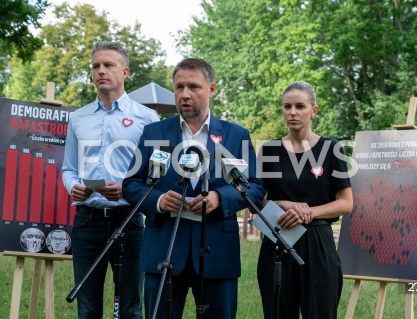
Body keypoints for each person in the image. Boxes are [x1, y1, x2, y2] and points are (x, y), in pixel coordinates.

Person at [122, 58, 266, 319]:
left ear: (211, 89)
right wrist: (158, 200)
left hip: (217, 252)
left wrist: (219, 197)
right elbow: (131, 185)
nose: (184, 94)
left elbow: (255, 187)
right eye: (179, 87)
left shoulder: (236, 135)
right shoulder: (154, 132)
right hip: (163, 249)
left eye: (193, 87)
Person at [62, 41, 160, 318]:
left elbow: (156, 174)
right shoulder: (78, 117)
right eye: (96, 66)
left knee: (130, 307)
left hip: (129, 221)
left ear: (125, 71)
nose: (100, 71)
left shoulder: (147, 117)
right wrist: (74, 187)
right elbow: (68, 168)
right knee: (87, 307)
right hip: (86, 221)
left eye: (108, 65)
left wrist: (129, 191)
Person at [257, 81, 353, 319]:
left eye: (300, 106)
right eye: (287, 106)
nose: (292, 112)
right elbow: (254, 199)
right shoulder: (268, 151)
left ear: (314, 110)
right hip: (277, 239)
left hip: (318, 242)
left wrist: (309, 212)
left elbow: (346, 202)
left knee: (320, 312)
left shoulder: (332, 149)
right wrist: (282, 204)